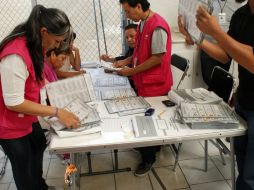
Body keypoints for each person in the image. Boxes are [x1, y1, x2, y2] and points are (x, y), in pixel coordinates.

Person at [0, 5, 80, 190]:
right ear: (44, 31)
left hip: (26, 118)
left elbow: (37, 80)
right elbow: (14, 102)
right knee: (23, 165)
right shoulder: (15, 55)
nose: (58, 46)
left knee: (37, 145)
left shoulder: (36, 44)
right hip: (8, 124)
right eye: (57, 40)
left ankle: (40, 186)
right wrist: (57, 111)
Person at [178, 0, 254, 189]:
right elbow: (224, 55)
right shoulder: (241, 14)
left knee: (250, 176)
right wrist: (197, 37)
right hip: (244, 101)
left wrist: (216, 32)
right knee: (242, 165)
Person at [118, 0, 173, 177]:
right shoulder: (143, 23)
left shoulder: (157, 26)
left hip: (155, 85)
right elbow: (139, 51)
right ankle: (148, 148)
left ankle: (148, 159)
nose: (127, 16)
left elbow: (157, 58)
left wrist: (132, 71)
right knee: (144, 118)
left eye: (128, 11)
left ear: (139, 7)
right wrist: (125, 62)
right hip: (144, 82)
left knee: (149, 121)